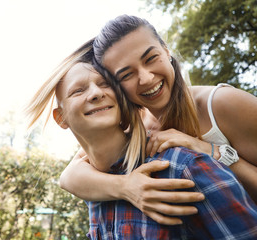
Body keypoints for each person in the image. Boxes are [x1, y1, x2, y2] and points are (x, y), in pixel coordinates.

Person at [26, 41, 257, 239]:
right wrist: (126, 187)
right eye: (78, 91)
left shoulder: (184, 163)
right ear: (61, 118)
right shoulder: (96, 183)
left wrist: (210, 150)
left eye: (105, 83)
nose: (145, 78)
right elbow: (68, 177)